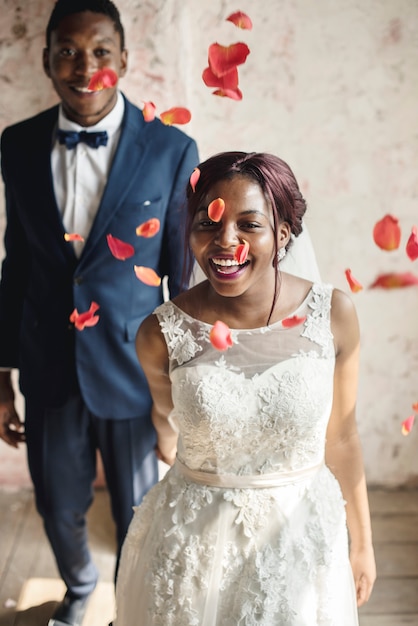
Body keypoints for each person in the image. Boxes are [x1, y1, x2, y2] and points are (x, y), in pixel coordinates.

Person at [114, 151, 376, 625]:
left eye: (249, 224)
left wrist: (363, 544)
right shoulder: (160, 333)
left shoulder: (334, 314)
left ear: (282, 234)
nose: (226, 242)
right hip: (191, 545)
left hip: (302, 543)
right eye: (208, 224)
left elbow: (341, 437)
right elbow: (167, 431)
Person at [0, 0, 198, 624]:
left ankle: (130, 606)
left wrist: (181, 390)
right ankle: (81, 590)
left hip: (136, 371)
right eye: (67, 51)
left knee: (138, 511)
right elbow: (17, 265)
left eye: (100, 52)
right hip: (49, 364)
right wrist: (1, 374)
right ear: (47, 59)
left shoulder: (172, 149)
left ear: (123, 60)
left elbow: (183, 279)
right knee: (58, 504)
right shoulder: (18, 145)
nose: (84, 67)